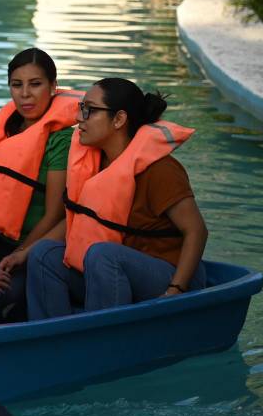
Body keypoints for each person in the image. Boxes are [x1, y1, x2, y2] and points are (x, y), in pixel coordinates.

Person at [19, 78, 208, 319]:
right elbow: (78, 219)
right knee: (44, 254)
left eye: (90, 110)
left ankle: (101, 343)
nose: (79, 118)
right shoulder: (94, 163)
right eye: (81, 108)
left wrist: (176, 290)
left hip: (171, 276)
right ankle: (52, 340)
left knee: (102, 255)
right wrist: (24, 252)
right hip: (112, 271)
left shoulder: (159, 169)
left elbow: (197, 231)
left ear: (119, 119)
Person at [0, 48, 82, 324]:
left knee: (0, 301)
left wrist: (20, 253)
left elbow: (54, 214)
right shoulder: (4, 131)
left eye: (35, 84)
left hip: (39, 248)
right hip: (0, 242)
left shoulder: (60, 139)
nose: (25, 94)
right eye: (17, 85)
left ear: (53, 87)